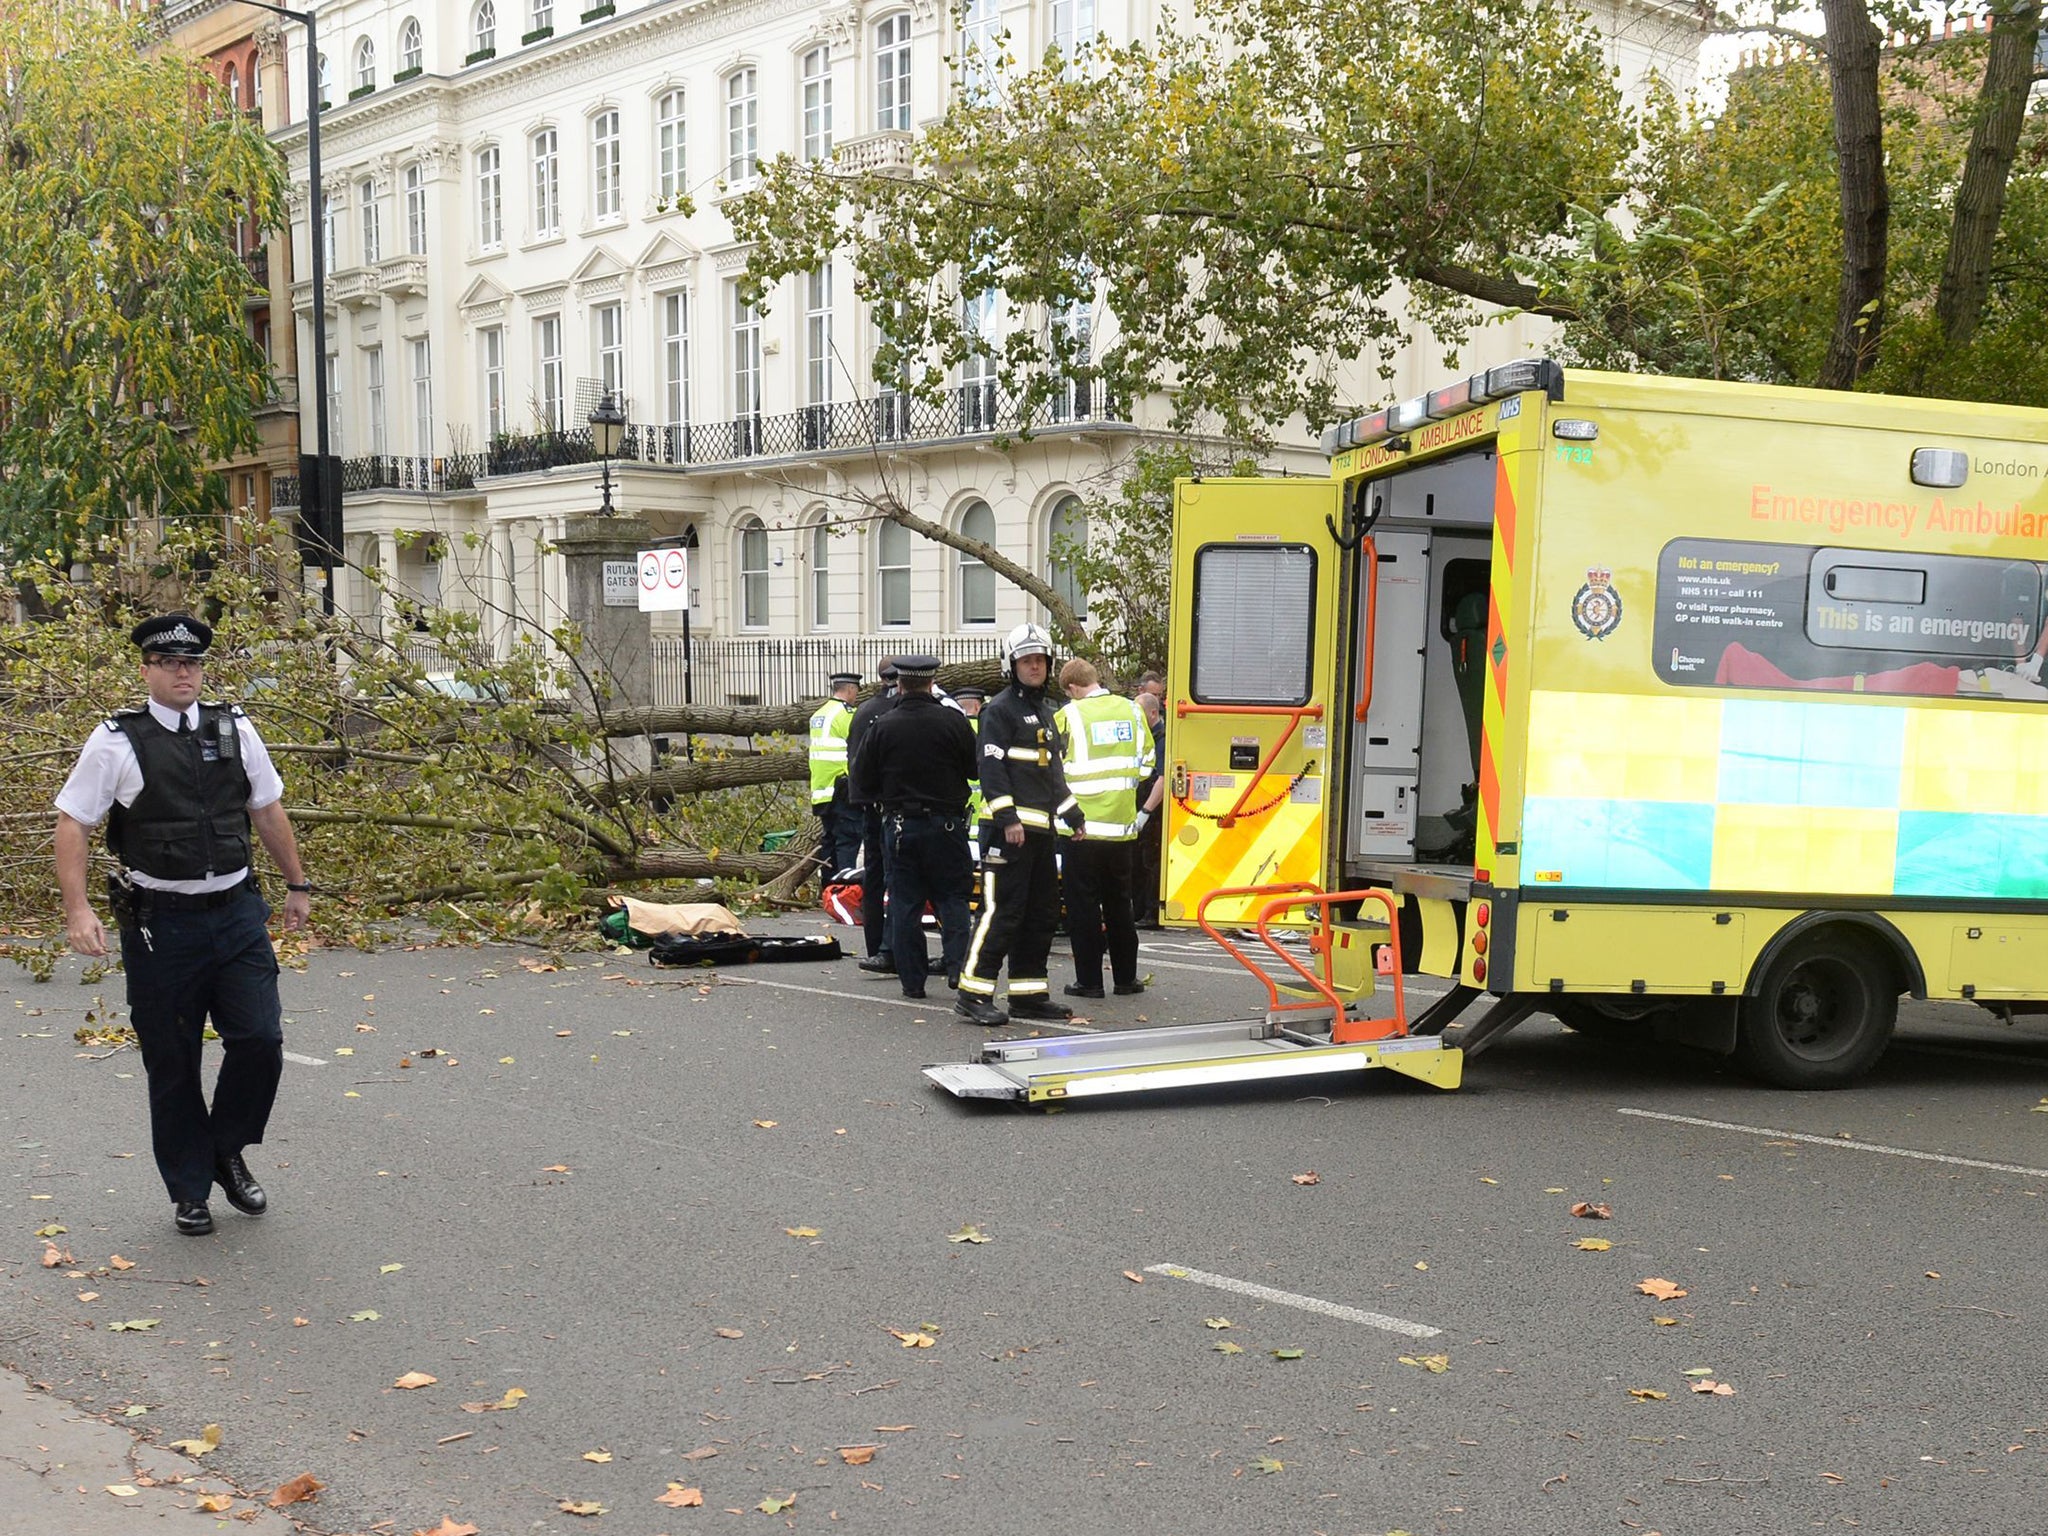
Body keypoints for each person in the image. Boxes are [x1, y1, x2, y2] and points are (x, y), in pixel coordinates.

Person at [53, 612, 312, 1238]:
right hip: (161, 926)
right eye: (169, 664)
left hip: (236, 913)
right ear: (147, 670)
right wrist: (78, 909)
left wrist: (297, 884)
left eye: (191, 663)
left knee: (259, 1040)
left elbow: (266, 808)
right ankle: (190, 1189)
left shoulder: (234, 728)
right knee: (172, 1063)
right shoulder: (117, 740)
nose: (182, 673)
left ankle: (225, 1149)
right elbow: (73, 824)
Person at [956, 624, 1087, 1026]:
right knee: (1001, 913)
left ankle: (1027, 994)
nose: (1034, 667)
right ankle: (973, 993)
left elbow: (1052, 776)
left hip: (1042, 833)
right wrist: (1007, 817)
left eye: (1040, 660)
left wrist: (1073, 814)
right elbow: (991, 770)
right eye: (1027, 660)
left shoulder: (1045, 711)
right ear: (1011, 665)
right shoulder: (999, 710)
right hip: (1007, 834)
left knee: (1040, 914)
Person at [849, 656, 978, 999]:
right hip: (948, 825)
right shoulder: (954, 721)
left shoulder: (884, 725)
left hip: (900, 826)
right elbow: (974, 770)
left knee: (905, 903)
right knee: (953, 900)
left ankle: (912, 981)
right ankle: (958, 970)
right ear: (931, 683)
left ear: (901, 684)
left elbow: (861, 780)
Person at [1055, 659, 1159, 998]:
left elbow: (1055, 772)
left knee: (1083, 907)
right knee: (1120, 905)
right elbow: (1146, 766)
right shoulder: (1132, 711)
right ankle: (1126, 979)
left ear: (1071, 687)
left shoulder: (1067, 716)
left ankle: (1089, 982)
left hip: (1080, 829)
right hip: (1121, 828)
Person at [845, 657, 900, 973]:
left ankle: (876, 947)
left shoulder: (864, 711)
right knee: (897, 878)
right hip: (895, 809)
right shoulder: (896, 712)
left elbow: (856, 763)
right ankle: (890, 948)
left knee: (875, 876)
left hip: (870, 807)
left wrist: (863, 801)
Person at [807, 672, 862, 877]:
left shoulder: (819, 714)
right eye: (855, 691)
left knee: (829, 841)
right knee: (848, 840)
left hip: (823, 789)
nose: (856, 696)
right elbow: (856, 749)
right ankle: (844, 888)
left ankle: (828, 888)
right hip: (842, 787)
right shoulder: (846, 715)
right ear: (849, 689)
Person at [1132, 689, 1167, 929]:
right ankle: (1141, 910)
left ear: (1153, 713)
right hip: (1144, 806)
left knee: (1152, 861)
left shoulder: (1163, 740)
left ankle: (1152, 913)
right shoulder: (1147, 738)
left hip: (1155, 811)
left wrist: (1145, 812)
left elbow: (1163, 779)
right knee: (1141, 861)